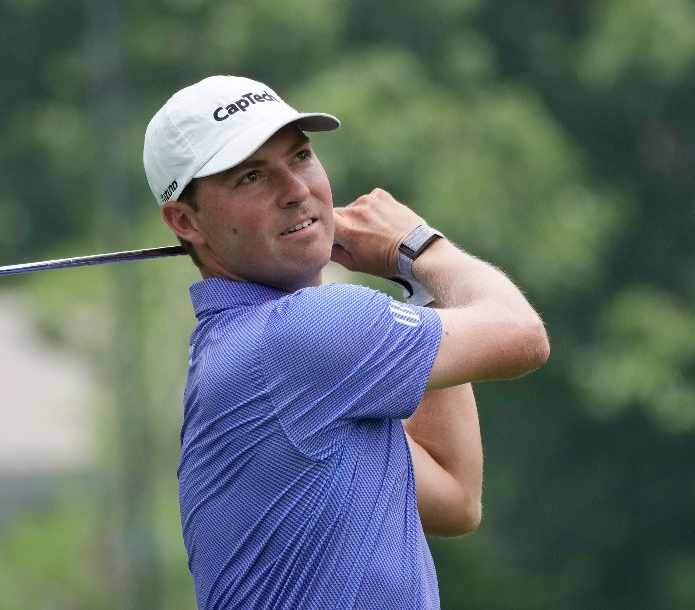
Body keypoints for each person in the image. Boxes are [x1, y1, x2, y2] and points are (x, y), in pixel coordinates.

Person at [143, 75, 549, 609]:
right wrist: (419, 245)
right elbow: (523, 336)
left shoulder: (279, 357)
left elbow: (455, 499)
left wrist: (418, 282)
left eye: (301, 156)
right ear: (184, 221)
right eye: (251, 177)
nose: (295, 190)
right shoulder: (304, 334)